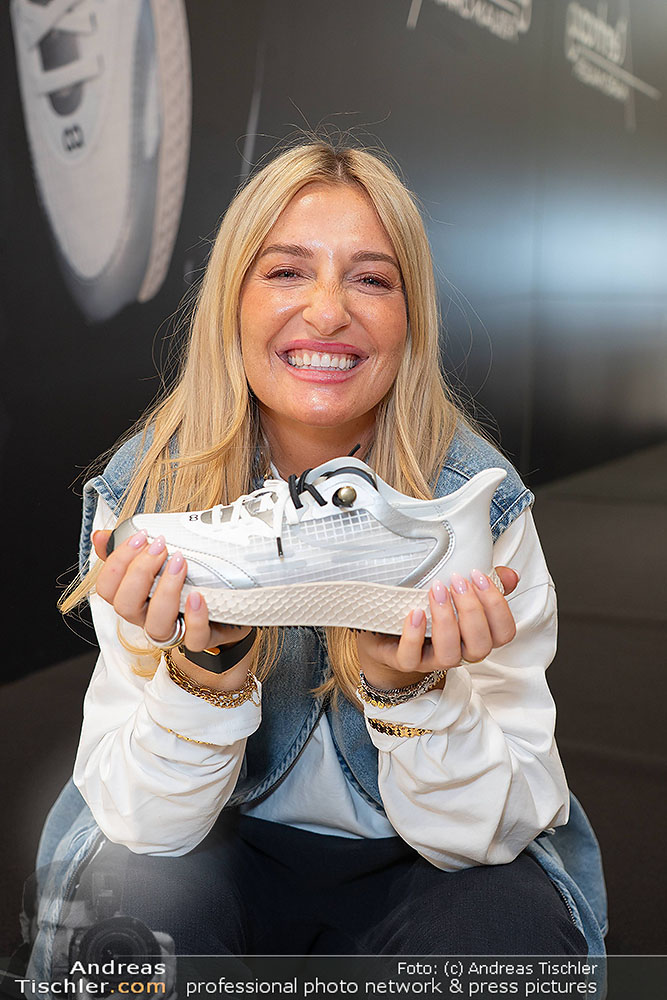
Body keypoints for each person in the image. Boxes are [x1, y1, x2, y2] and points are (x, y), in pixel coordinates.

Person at [29, 142, 606, 970]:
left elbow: (486, 834)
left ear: (410, 315)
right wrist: (201, 674)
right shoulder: (155, 492)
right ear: (233, 299)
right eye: (286, 272)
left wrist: (411, 694)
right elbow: (147, 826)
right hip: (215, 844)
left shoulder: (475, 507)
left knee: (502, 941)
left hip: (424, 858)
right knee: (136, 926)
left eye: (370, 279)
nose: (328, 312)